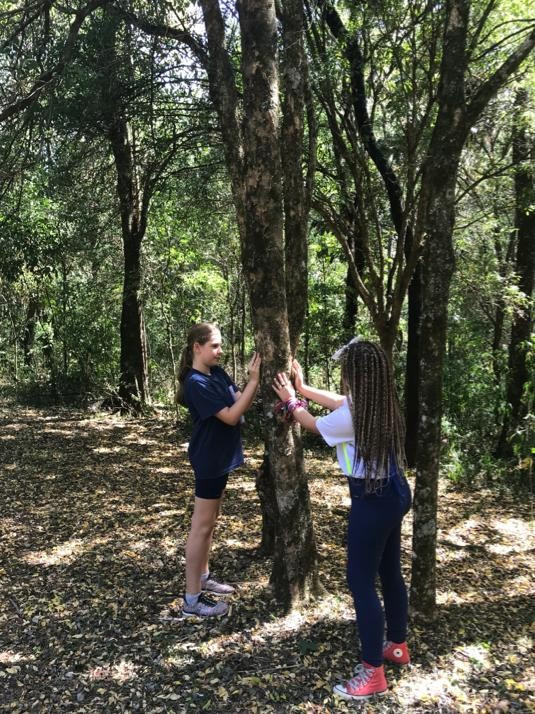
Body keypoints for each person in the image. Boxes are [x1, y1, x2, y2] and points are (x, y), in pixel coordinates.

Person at [272, 338, 412, 701]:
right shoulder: (377, 401)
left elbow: (313, 424)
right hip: (394, 491)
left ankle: (373, 673)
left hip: (373, 499)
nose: (343, 377)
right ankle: (397, 645)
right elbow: (337, 402)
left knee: (360, 581)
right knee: (389, 571)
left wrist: (291, 399)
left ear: (355, 375)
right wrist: (304, 388)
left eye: (346, 371)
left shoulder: (354, 414)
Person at [176, 322, 261, 617]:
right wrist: (253, 380)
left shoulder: (217, 373)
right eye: (214, 345)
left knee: (210, 523)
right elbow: (231, 415)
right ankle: (191, 600)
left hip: (222, 458)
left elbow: (239, 402)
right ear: (196, 347)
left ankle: (203, 577)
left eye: (220, 345)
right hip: (209, 459)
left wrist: (249, 388)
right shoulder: (195, 382)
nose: (220, 351)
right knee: (200, 527)